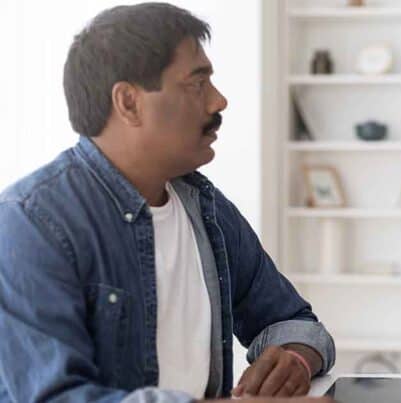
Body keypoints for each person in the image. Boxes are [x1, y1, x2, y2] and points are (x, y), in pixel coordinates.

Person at [0, 3, 334, 402]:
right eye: (197, 83)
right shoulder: (30, 223)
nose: (219, 101)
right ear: (128, 102)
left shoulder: (205, 206)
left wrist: (295, 359)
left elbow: (294, 321)